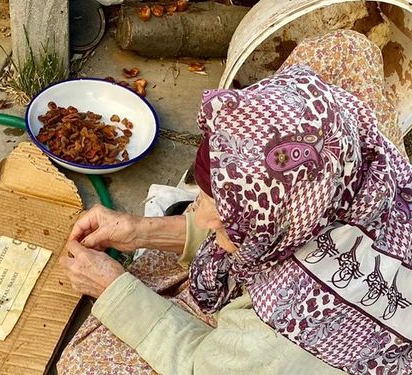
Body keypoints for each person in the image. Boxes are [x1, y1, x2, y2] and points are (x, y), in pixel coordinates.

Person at [57, 30, 412, 375]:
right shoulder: (359, 177)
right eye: (207, 197)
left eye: (226, 215)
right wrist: (139, 231)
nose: (203, 215)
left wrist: (113, 288)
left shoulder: (294, 325)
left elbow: (200, 363)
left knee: (84, 362)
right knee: (343, 50)